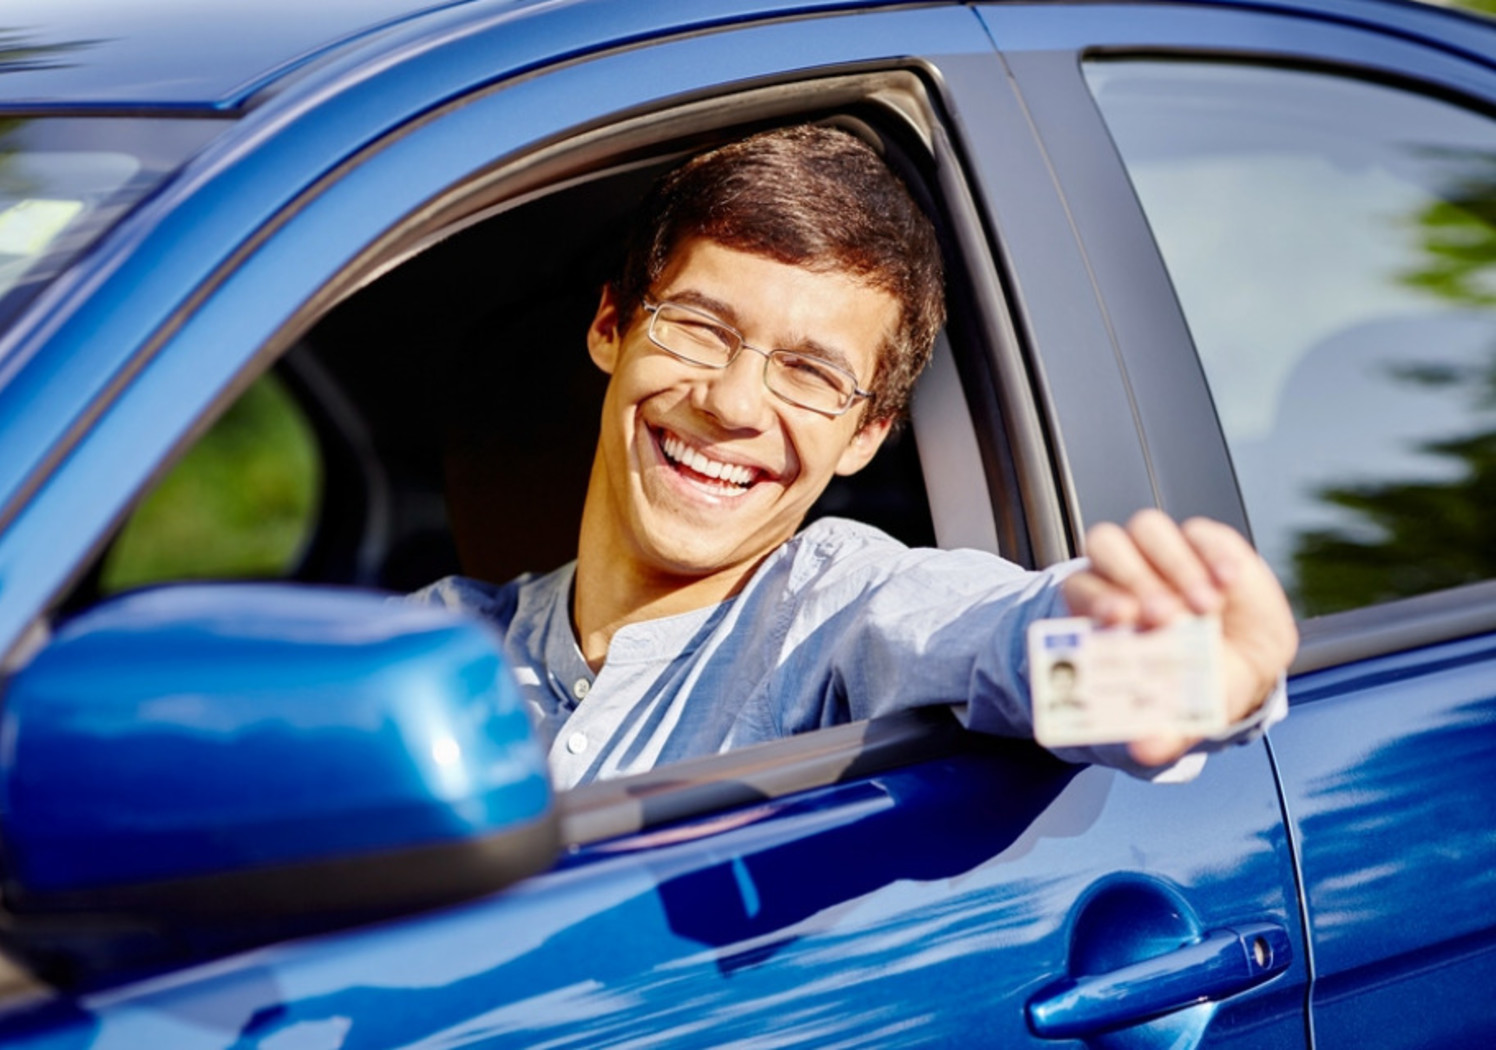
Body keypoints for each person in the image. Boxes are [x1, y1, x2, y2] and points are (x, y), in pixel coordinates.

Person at [416, 124, 1295, 788]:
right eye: (697, 327)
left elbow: (992, 637)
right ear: (612, 328)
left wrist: (1172, 675)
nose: (731, 402)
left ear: (867, 434)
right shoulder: (439, 638)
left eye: (809, 374)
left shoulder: (836, 615)